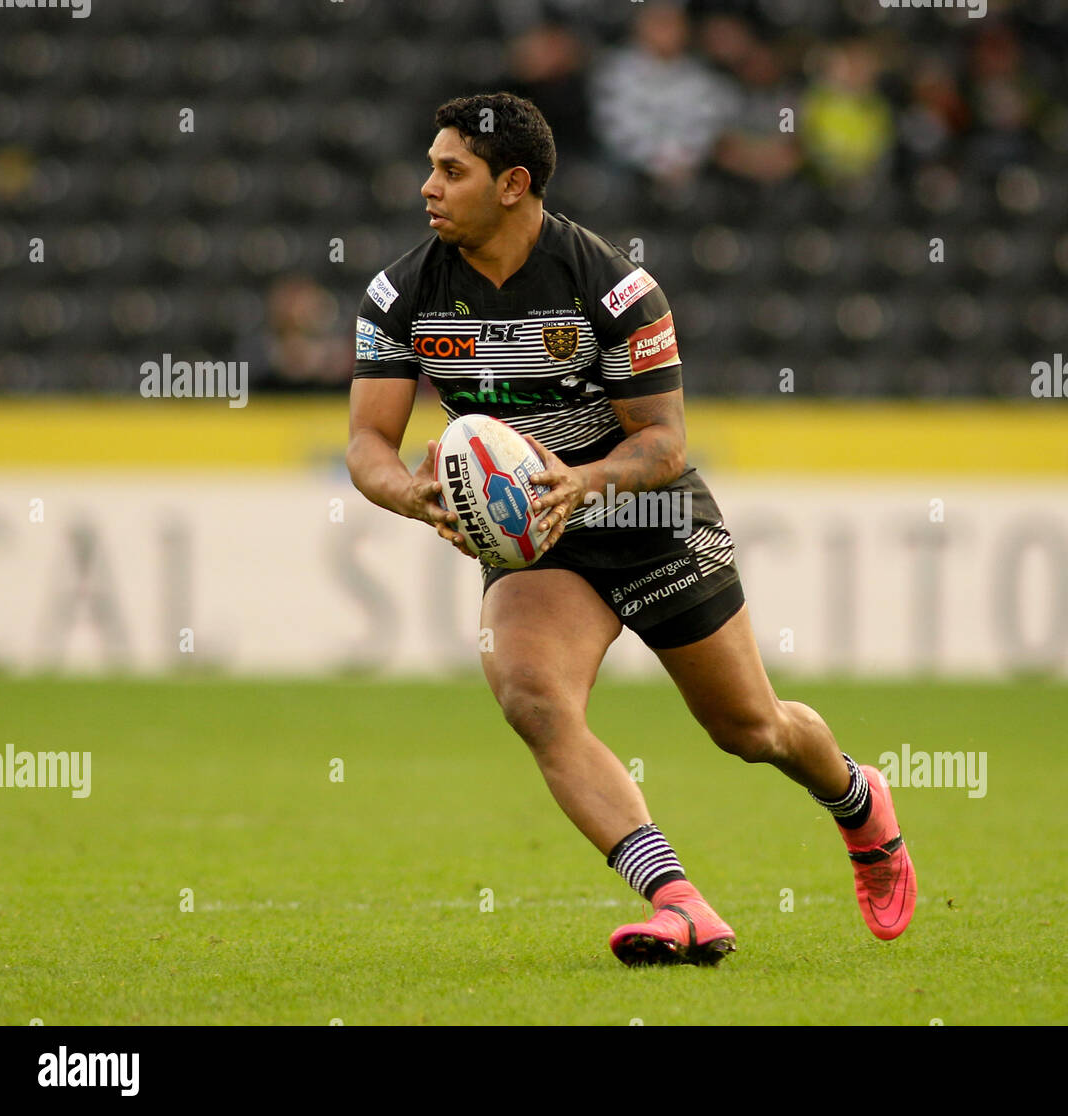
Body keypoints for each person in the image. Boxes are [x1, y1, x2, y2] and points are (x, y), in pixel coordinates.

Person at [345, 91, 916, 965]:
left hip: (647, 517)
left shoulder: (611, 285)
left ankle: (857, 803)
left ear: (513, 185)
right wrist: (417, 498)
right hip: (540, 536)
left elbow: (663, 442)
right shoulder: (404, 292)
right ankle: (680, 903)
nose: (428, 186)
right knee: (534, 699)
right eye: (430, 165)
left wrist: (584, 481)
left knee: (751, 730)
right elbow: (367, 444)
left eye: (450, 170)